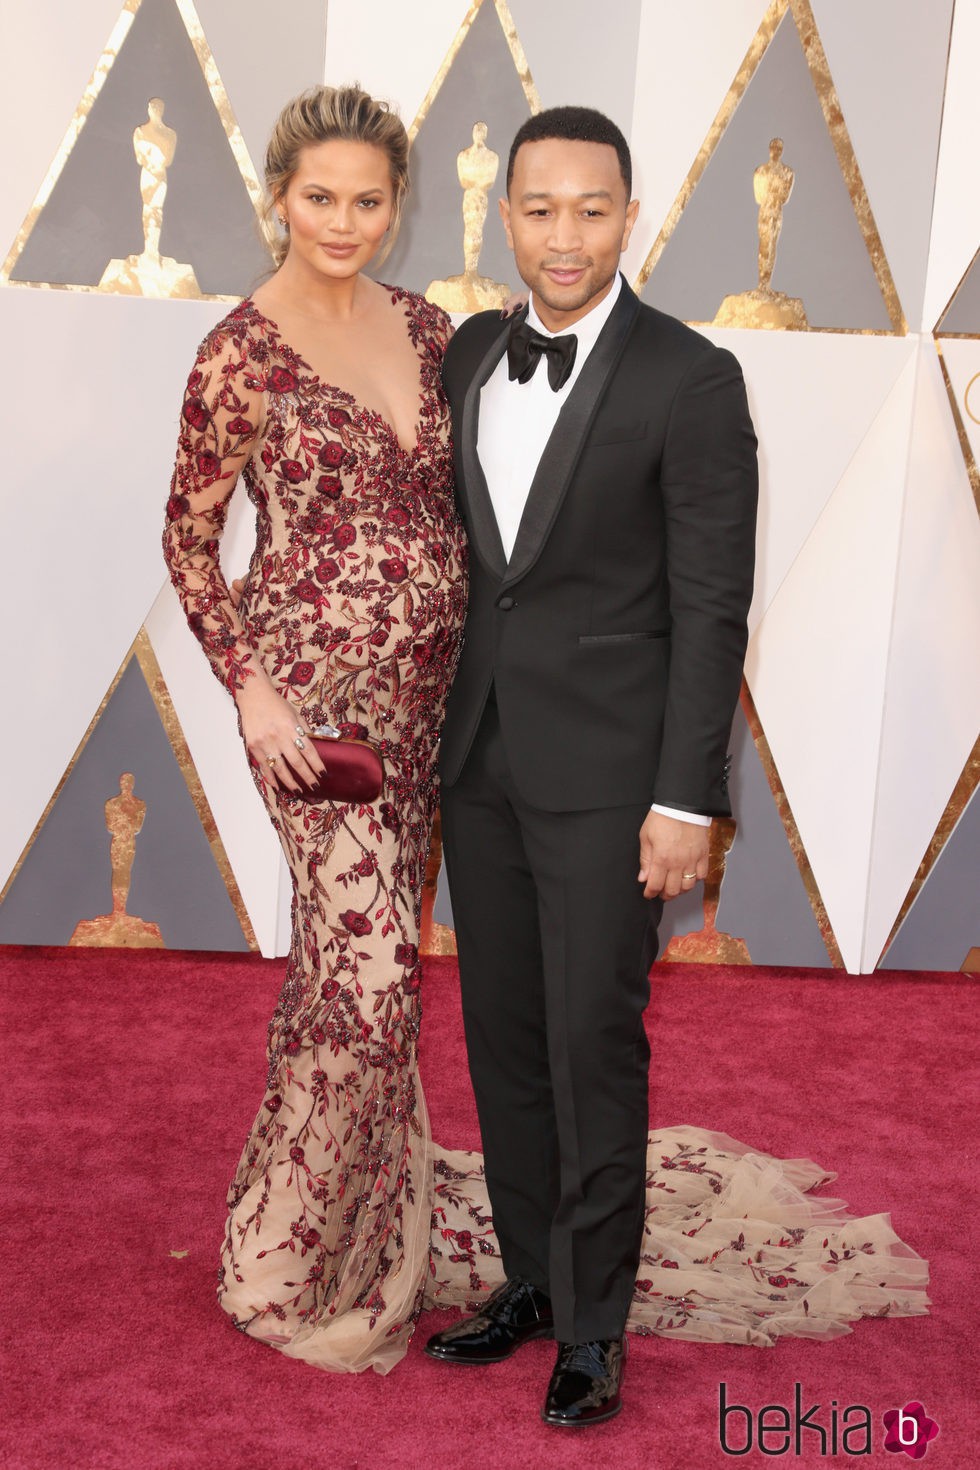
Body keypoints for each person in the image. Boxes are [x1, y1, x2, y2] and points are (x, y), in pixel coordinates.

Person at [424, 105, 760, 1423]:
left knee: (588, 1041)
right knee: (502, 1036)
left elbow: (710, 604)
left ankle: (597, 1324)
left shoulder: (692, 377)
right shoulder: (464, 357)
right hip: (482, 756)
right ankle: (533, 1279)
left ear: (632, 215)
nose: (564, 236)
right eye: (540, 208)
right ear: (504, 215)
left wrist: (689, 794)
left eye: (591, 209)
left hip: (618, 777)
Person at [163, 84, 467, 1374]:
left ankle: (359, 1224)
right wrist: (253, 688)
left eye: (368, 199)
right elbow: (189, 543)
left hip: (434, 704)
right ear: (279, 198)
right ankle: (279, 1265)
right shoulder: (240, 350)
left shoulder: (432, 328)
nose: (343, 221)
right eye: (319, 196)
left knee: (358, 985)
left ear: (397, 207)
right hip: (313, 714)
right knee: (378, 976)